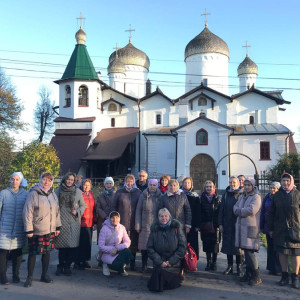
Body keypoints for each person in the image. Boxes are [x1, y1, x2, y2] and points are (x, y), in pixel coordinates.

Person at [23, 173, 61, 288]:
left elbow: (57, 211)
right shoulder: (33, 193)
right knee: (33, 253)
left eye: (49, 180)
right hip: (36, 229)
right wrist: (29, 229)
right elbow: (27, 212)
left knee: (47, 252)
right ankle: (29, 278)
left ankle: (44, 275)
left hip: (49, 229)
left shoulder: (53, 194)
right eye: (44, 180)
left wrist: (57, 226)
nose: (46, 182)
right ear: (40, 180)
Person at [268, 173, 300, 289]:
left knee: (295, 254)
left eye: (287, 181)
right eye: (283, 181)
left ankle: (295, 277)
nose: (285, 183)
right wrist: (270, 228)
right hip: (280, 229)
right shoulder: (277, 196)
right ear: (280, 182)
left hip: (296, 229)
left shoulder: (297, 195)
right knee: (282, 253)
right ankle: (284, 276)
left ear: (291, 181)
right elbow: (271, 213)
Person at [147, 208, 186, 292]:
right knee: (158, 273)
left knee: (160, 277)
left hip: (174, 263)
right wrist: (160, 262)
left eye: (166, 216)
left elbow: (182, 248)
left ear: (169, 217)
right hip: (160, 262)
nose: (163, 218)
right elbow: (150, 248)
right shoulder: (154, 230)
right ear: (158, 217)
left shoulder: (176, 228)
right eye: (161, 216)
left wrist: (170, 262)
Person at [55, 172, 86, 276]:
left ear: (74, 181)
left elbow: (83, 205)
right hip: (61, 221)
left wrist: (77, 212)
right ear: (64, 179)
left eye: (72, 180)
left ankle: (68, 266)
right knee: (62, 246)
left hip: (73, 222)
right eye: (68, 179)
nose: (69, 181)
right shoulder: (58, 190)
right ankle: (60, 266)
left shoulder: (78, 192)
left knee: (72, 246)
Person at [0, 172, 28, 285]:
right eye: (13, 179)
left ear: (20, 181)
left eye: (17, 179)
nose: (14, 181)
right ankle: (3, 276)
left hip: (19, 228)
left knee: (18, 252)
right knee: (3, 252)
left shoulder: (25, 194)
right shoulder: (4, 193)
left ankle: (16, 275)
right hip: (4, 227)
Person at [234, 177, 262, 286]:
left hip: (250, 227)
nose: (246, 187)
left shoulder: (256, 197)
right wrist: (239, 210)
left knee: (250, 252)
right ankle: (248, 273)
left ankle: (256, 275)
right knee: (246, 252)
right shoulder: (242, 196)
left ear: (253, 186)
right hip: (242, 228)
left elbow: (251, 210)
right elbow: (234, 207)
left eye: (249, 185)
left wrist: (239, 211)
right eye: (245, 185)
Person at [114, 174, 142, 270]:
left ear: (134, 182)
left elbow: (141, 207)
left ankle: (132, 263)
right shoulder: (119, 192)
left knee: (133, 243)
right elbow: (114, 207)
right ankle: (122, 263)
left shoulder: (138, 192)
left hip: (134, 222)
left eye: (131, 181)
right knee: (122, 243)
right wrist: (114, 220)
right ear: (125, 182)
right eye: (128, 181)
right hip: (122, 222)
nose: (129, 183)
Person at [218, 176, 243, 276]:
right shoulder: (226, 194)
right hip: (227, 223)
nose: (232, 184)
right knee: (228, 245)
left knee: (239, 247)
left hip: (239, 224)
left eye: (234, 182)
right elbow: (221, 210)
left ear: (238, 183)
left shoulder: (242, 194)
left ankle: (239, 266)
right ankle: (230, 266)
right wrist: (220, 223)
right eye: (230, 182)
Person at [135, 179, 161, 272]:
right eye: (151, 185)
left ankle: (155, 265)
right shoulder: (143, 195)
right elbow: (138, 211)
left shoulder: (160, 196)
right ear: (148, 186)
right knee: (144, 247)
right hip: (144, 225)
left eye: (154, 185)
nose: (152, 187)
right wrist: (137, 225)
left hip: (156, 226)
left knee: (156, 247)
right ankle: (144, 265)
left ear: (157, 186)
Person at [98, 211, 133, 276]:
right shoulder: (104, 228)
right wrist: (112, 249)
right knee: (115, 264)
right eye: (112, 217)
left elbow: (128, 242)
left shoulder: (122, 227)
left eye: (117, 217)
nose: (115, 219)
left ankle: (121, 268)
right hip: (107, 253)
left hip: (117, 250)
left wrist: (117, 248)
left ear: (119, 218)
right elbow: (101, 246)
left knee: (127, 252)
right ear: (109, 218)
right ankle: (106, 265)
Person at [260, 181, 281, 275]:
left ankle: (278, 269)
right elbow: (262, 211)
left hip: (278, 227)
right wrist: (261, 226)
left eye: (274, 188)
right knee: (270, 247)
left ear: (278, 189)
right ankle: (271, 267)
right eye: (271, 188)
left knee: (277, 248)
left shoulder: (280, 198)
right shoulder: (267, 198)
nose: (272, 190)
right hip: (268, 226)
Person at [199, 180, 221, 271]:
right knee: (207, 244)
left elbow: (220, 212)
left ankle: (214, 262)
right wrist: (199, 224)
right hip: (205, 225)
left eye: (210, 186)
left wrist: (219, 224)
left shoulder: (218, 199)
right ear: (204, 188)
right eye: (207, 186)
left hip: (215, 226)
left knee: (215, 244)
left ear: (213, 188)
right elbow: (199, 212)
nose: (208, 188)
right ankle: (208, 262)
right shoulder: (201, 199)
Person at [74, 179, 96, 269]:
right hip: (81, 222)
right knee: (81, 243)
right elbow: (76, 207)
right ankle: (77, 262)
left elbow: (94, 208)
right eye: (85, 185)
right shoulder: (79, 194)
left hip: (89, 222)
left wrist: (95, 220)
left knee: (87, 243)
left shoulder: (91, 194)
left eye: (88, 185)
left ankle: (85, 260)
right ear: (82, 185)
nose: (86, 186)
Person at [181, 177, 200, 260]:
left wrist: (197, 225)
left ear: (191, 184)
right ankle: (183, 262)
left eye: (188, 183)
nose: (187, 184)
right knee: (182, 243)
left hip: (192, 224)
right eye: (185, 183)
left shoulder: (195, 196)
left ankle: (193, 262)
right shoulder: (179, 194)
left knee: (192, 244)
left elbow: (198, 212)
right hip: (181, 222)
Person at [96, 177, 116, 241]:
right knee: (102, 238)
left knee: (112, 238)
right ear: (104, 185)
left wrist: (113, 216)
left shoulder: (116, 195)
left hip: (113, 220)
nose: (109, 185)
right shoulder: (100, 196)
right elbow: (98, 208)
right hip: (102, 220)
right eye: (107, 183)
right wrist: (105, 216)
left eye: (110, 183)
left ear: (112, 185)